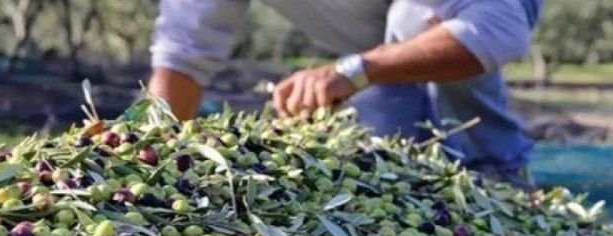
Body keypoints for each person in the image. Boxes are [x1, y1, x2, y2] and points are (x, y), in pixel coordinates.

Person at [148, 0, 543, 187]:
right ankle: (412, 185)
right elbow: (181, 56)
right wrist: (155, 159)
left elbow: (498, 29)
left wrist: (352, 71)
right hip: (372, 38)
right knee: (396, 165)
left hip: (477, 9)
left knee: (412, 20)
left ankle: (498, 173)